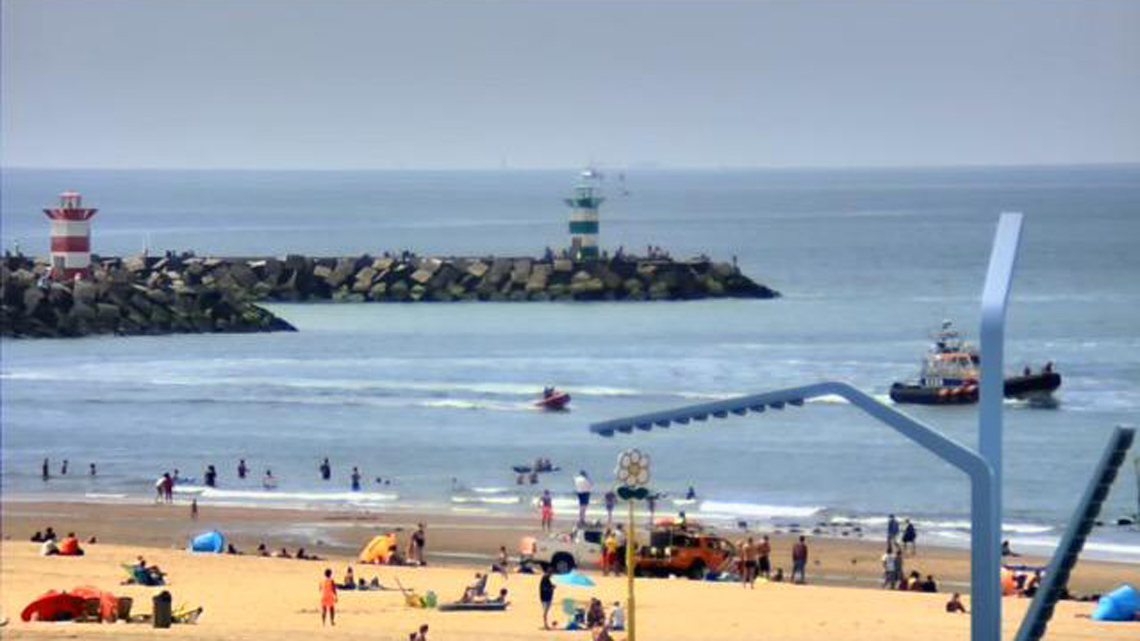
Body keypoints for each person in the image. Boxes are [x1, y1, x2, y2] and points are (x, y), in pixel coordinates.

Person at [539, 566, 556, 630]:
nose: (552, 574)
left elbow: (546, 586)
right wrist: (551, 588)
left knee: (546, 612)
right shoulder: (545, 578)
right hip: (545, 597)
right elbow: (544, 588)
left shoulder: (547, 578)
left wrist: (552, 587)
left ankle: (546, 624)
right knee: (545, 612)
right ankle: (545, 625)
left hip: (546, 597)